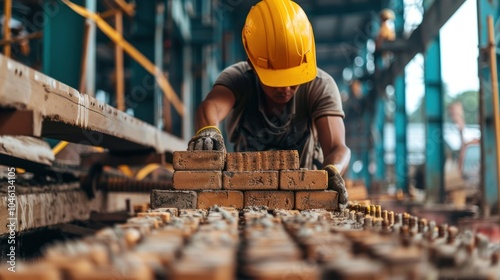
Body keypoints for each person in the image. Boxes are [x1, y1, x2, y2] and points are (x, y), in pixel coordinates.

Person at [187, 0, 351, 209]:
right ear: (253, 64)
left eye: (293, 80)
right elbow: (210, 106)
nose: (285, 89)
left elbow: (337, 147)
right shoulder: (239, 78)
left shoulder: (319, 86)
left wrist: (333, 171)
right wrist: (208, 130)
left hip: (304, 199)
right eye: (276, 80)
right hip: (242, 196)